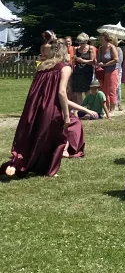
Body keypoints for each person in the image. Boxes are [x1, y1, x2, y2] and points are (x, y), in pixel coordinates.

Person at [1, 39, 86, 178]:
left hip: (35, 106)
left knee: (34, 136)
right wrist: (66, 115)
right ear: (65, 53)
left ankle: (22, 164)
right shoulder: (65, 67)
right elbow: (61, 92)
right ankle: (49, 170)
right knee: (55, 139)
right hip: (52, 107)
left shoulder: (42, 66)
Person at [95, 32, 119, 117]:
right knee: (104, 91)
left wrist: (105, 64)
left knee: (111, 90)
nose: (100, 41)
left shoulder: (112, 47)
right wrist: (98, 62)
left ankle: (112, 110)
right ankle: (107, 109)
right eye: (100, 39)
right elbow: (98, 59)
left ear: (107, 39)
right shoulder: (100, 48)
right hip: (103, 72)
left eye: (102, 39)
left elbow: (116, 59)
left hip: (112, 71)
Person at [71, 32, 95, 104]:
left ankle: (89, 106)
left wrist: (83, 61)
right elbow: (74, 61)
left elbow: (93, 62)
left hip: (87, 72)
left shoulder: (90, 48)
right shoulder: (76, 49)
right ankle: (80, 108)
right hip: (78, 72)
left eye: (82, 43)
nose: (80, 45)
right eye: (79, 43)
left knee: (87, 90)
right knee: (78, 91)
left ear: (86, 42)